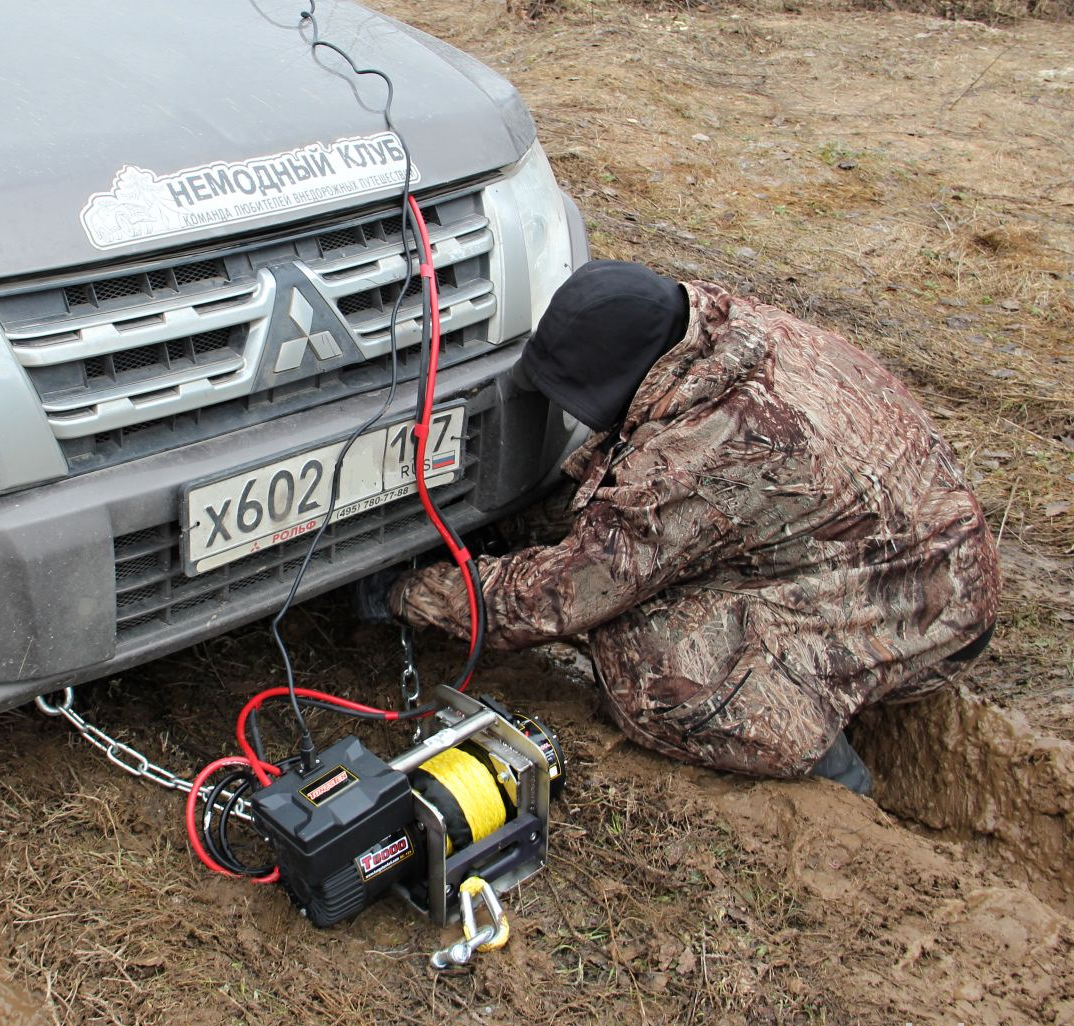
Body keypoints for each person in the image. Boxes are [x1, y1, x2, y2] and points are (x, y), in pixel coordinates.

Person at [367, 260, 999, 793]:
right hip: (910, 545)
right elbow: (617, 478)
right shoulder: (718, 331)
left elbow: (549, 602)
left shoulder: (705, 451)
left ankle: (835, 772)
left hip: (924, 614)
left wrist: (407, 590)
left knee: (651, 661)